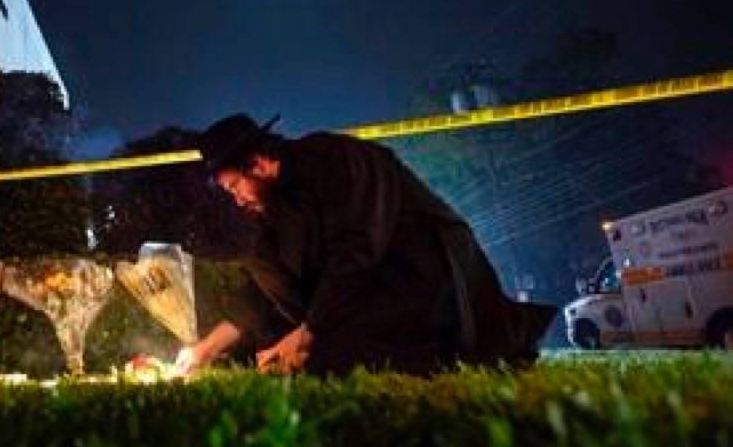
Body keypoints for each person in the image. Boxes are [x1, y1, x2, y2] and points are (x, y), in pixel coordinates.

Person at [176, 113, 556, 376]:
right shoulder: (277, 207)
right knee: (280, 335)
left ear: (257, 164)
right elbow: (266, 285)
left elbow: (355, 253)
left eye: (234, 187)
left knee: (325, 360)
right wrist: (206, 348)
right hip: (365, 296)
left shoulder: (333, 160)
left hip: (424, 276)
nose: (237, 199)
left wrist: (308, 336)